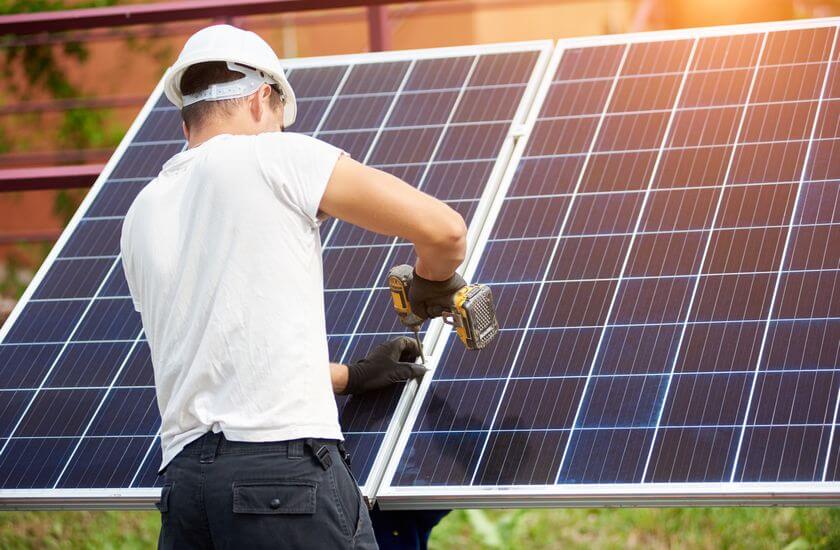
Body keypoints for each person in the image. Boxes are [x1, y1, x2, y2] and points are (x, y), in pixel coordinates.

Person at [120, 24, 468, 549]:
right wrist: (431, 282)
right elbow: (445, 229)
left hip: (187, 491)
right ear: (263, 98)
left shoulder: (142, 211)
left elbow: (216, 360)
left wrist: (352, 377)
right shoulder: (274, 157)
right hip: (283, 485)